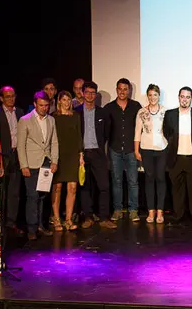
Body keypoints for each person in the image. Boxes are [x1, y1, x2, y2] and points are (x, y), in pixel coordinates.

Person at [17, 91, 59, 240]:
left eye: (47, 105)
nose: (44, 108)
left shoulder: (51, 120)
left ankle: (41, 225)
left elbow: (54, 141)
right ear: (35, 104)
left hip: (45, 162)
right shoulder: (25, 120)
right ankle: (31, 228)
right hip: (31, 163)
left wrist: (54, 161)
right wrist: (24, 166)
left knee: (42, 196)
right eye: (41, 105)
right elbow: (20, 145)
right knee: (32, 196)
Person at [162, 86, 192, 226]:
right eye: (182, 96)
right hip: (176, 158)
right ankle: (178, 216)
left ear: (191, 99)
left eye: (188, 97)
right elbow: (167, 132)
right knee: (177, 190)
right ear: (179, 97)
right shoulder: (170, 114)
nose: (185, 99)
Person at [76, 81, 117, 230]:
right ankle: (88, 217)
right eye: (87, 92)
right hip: (82, 154)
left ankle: (104, 217)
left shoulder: (102, 113)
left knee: (104, 186)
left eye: (93, 93)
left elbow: (107, 133)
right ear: (82, 93)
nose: (90, 95)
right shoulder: (76, 112)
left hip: (98, 153)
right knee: (85, 186)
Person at [104, 78, 142, 222]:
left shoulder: (136, 106)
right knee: (117, 181)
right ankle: (118, 209)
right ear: (116, 89)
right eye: (120, 89)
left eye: (125, 89)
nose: (122, 91)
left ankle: (133, 210)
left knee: (133, 182)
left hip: (131, 149)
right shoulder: (109, 108)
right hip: (115, 149)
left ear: (129, 91)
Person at [134, 84, 168, 224]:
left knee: (160, 178)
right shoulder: (141, 112)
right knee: (149, 179)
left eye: (155, 95)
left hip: (162, 149)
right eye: (150, 95)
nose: (152, 98)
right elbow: (137, 132)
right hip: (146, 149)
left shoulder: (165, 112)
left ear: (159, 96)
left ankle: (160, 212)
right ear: (147, 96)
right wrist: (136, 150)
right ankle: (151, 212)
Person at [52, 91, 83, 231]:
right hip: (58, 155)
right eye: (63, 99)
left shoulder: (75, 116)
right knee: (57, 187)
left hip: (72, 155)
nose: (66, 102)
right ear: (59, 101)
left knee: (72, 187)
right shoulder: (54, 117)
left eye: (68, 99)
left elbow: (79, 136)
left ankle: (68, 219)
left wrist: (81, 155)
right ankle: (56, 218)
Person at [0, 86, 25, 234]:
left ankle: (11, 223)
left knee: (15, 191)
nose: (11, 99)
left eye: (13, 96)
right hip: (2, 155)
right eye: (7, 96)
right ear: (1, 98)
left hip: (17, 154)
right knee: (1, 191)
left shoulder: (20, 112)